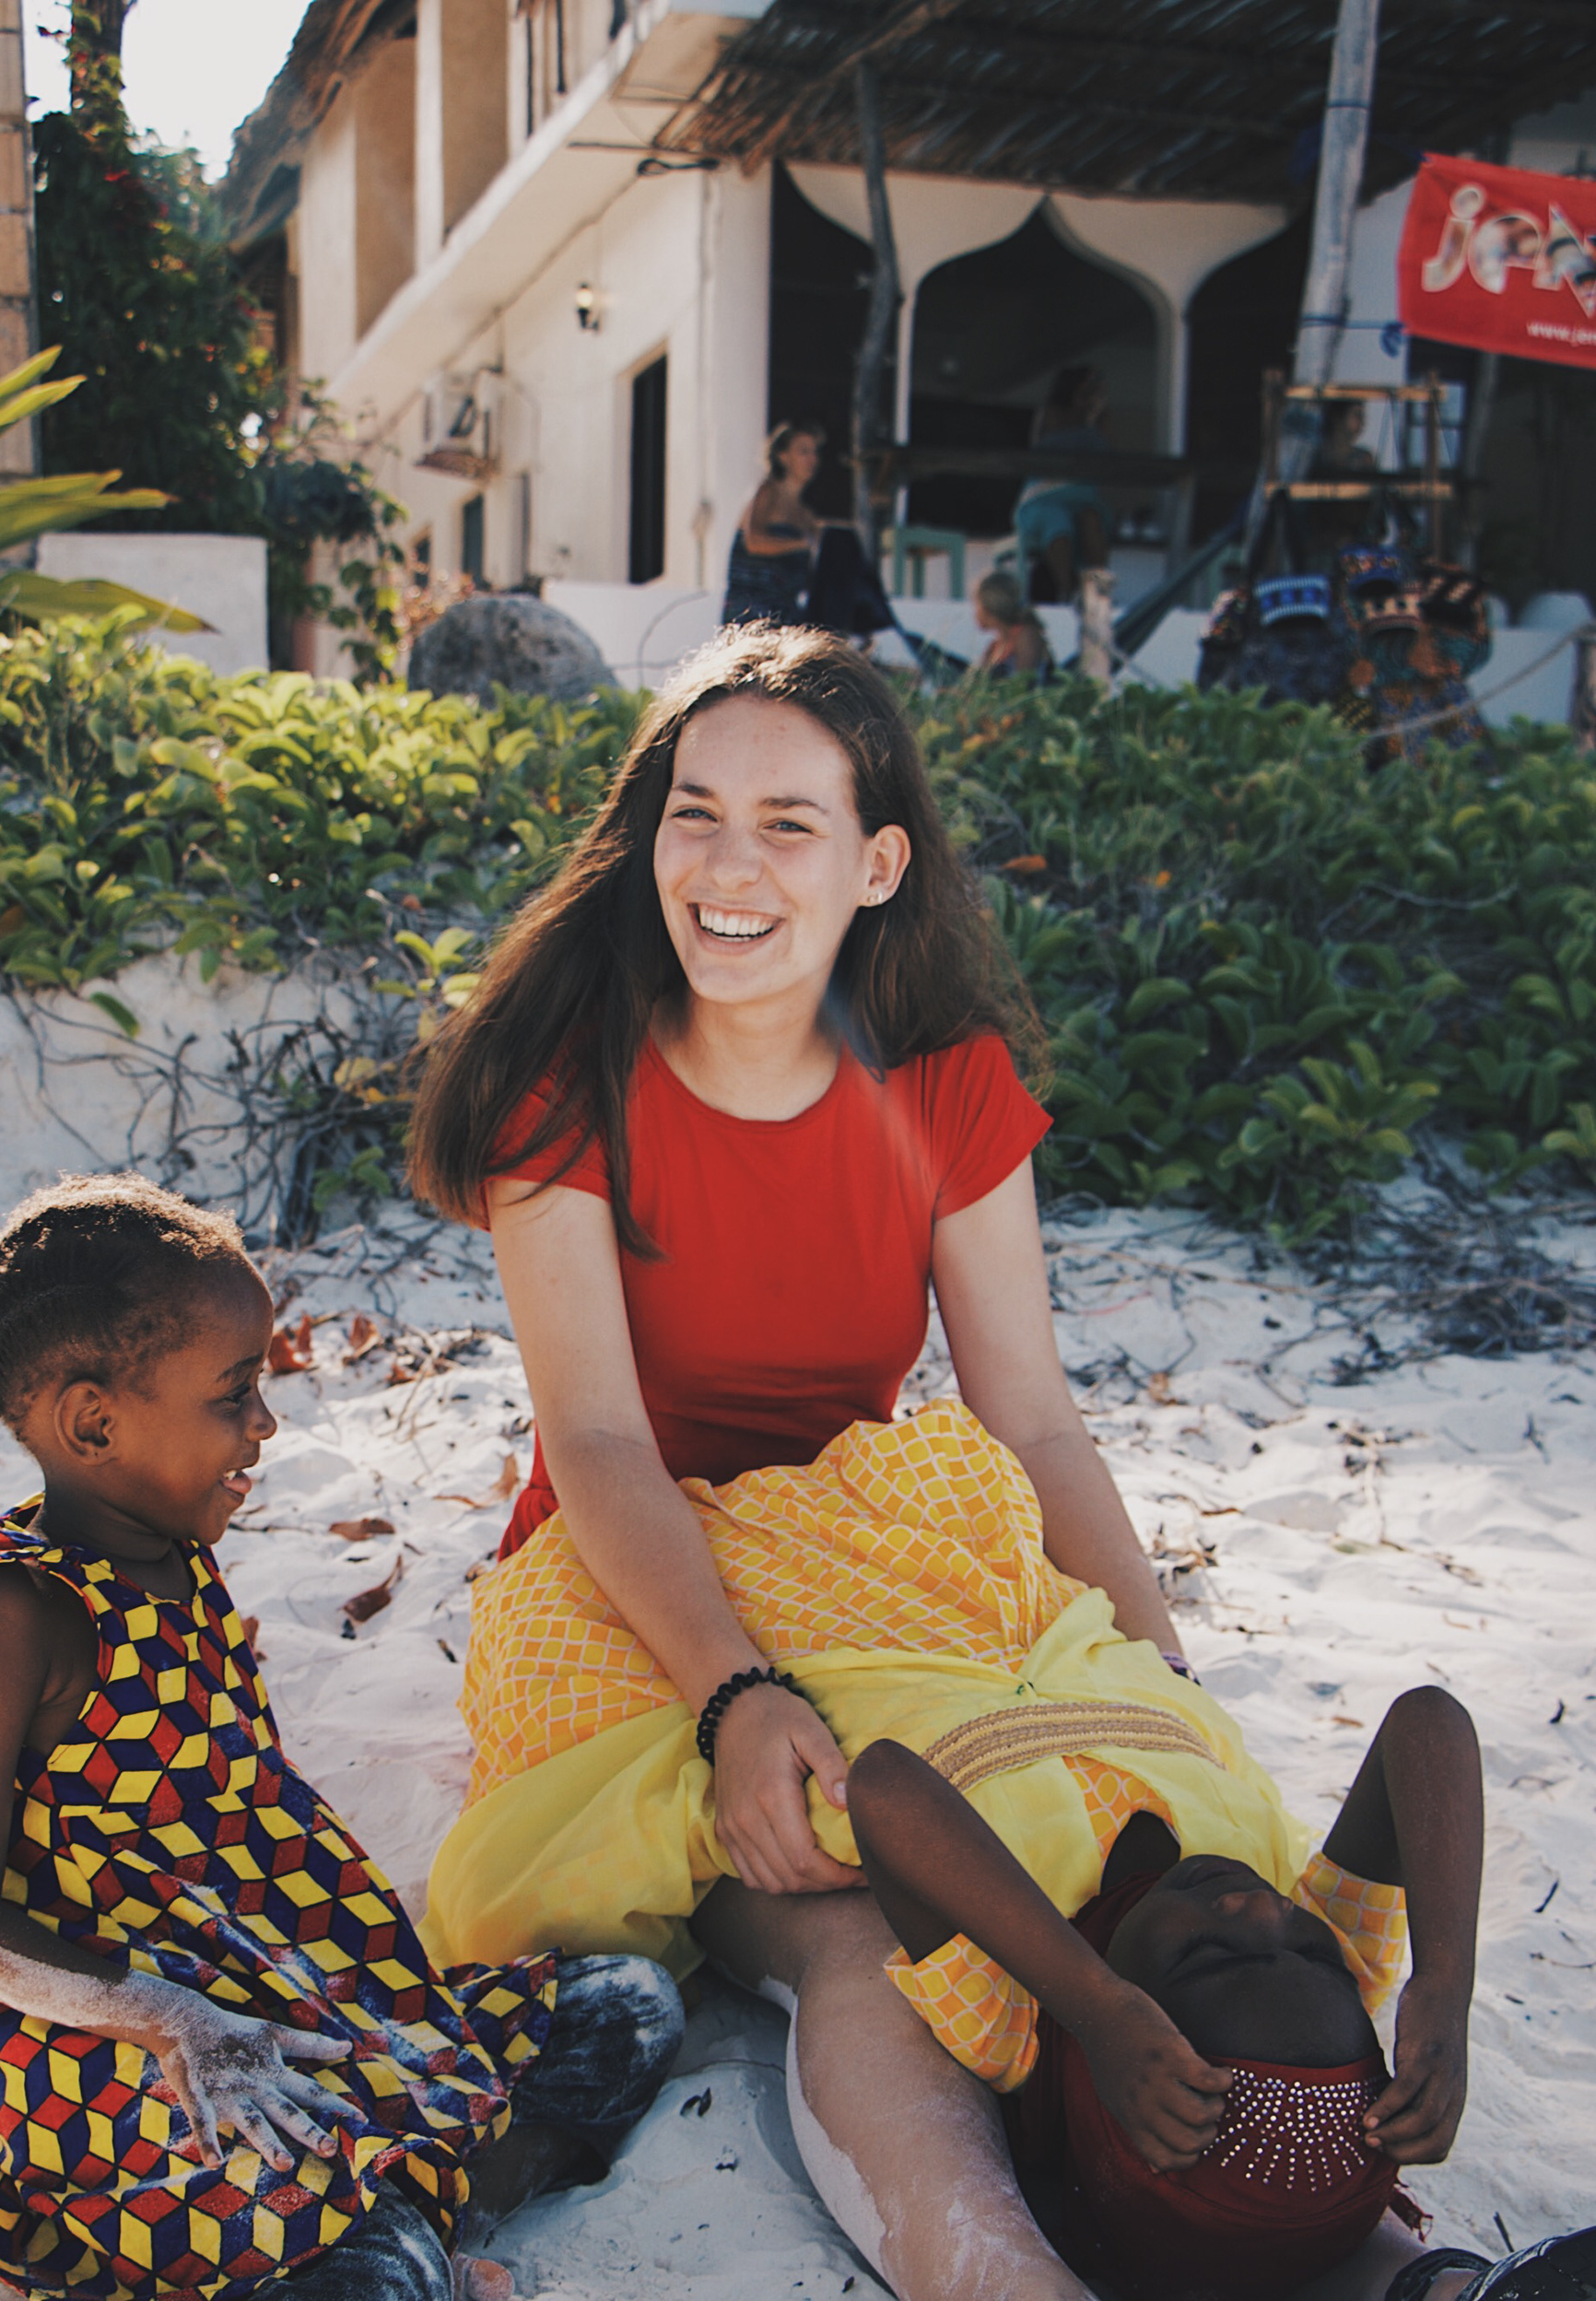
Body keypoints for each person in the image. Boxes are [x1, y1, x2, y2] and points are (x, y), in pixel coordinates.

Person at [405, 622, 1201, 2301]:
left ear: (878, 860)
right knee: (861, 1914)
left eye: (789, 821)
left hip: (874, 1545)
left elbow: (1032, 1420)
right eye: (694, 812)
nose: (729, 863)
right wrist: (736, 1695)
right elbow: (598, 1438)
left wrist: (1156, 1667)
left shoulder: (949, 1085)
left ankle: (1346, 2228)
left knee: (1142, 1843)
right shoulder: (571, 1083)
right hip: (636, 1591)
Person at [0, 1174, 683, 2301]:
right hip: (137, 2053)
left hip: (294, 1995)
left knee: (625, 2007)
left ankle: (416, 2196)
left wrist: (280, 2008)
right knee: (376, 2277)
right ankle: (395, 2224)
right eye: (234, 1394)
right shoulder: (9, 1615)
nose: (266, 1424)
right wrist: (178, 2019)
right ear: (94, 1421)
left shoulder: (174, 1549)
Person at [847, 1689, 1477, 2300]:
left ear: (1109, 2072)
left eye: (1205, 1954)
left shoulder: (1018, 2020)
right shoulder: (1310, 2003)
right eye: (1313, 1950)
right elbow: (1426, 1716)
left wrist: (1097, 2008)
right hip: (1102, 1658)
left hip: (906, 1659)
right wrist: (1445, 1982)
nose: (1260, 1905)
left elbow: (883, 1782)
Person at [1016, 365, 1112, 604]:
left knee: (1091, 519)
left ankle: (1098, 594)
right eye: (1088, 387)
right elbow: (1047, 448)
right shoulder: (1051, 414)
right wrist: (1084, 417)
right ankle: (1066, 592)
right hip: (1043, 497)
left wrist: (1096, 417)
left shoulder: (1100, 419)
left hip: (1081, 499)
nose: (1092, 393)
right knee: (1056, 521)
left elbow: (1107, 454)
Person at [722, 419, 826, 626]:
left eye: (814, 452)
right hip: (750, 613)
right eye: (803, 451)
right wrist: (801, 544)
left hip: (787, 616)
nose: (812, 459)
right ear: (783, 456)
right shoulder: (767, 492)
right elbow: (754, 543)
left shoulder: (806, 515)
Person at [974, 568, 1051, 680]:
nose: (975, 612)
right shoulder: (993, 648)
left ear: (989, 607)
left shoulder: (1026, 635)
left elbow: (1023, 684)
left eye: (976, 604)